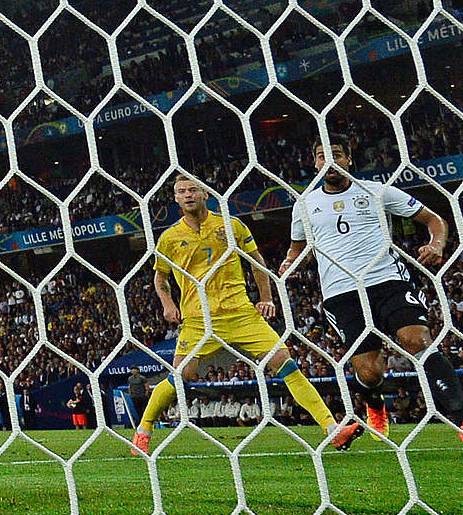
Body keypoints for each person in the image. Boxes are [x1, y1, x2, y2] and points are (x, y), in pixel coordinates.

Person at [132, 175, 362, 456]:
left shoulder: (231, 226)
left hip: (241, 313)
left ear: (205, 194)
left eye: (193, 189)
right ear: (176, 199)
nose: (188, 194)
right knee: (183, 376)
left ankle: (332, 429)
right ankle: (143, 430)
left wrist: (266, 298)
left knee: (285, 363)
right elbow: (160, 279)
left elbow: (257, 263)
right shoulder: (169, 238)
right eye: (182, 191)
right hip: (198, 318)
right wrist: (168, 303)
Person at [280, 140, 463, 453]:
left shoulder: (377, 190)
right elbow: (298, 252)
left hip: (386, 280)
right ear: (315, 164)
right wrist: (290, 265)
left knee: (417, 340)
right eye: (322, 156)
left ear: (348, 159)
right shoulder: (304, 205)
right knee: (369, 371)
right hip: (340, 293)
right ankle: (375, 406)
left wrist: (437, 244)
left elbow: (434, 220)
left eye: (335, 154)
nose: (329, 161)